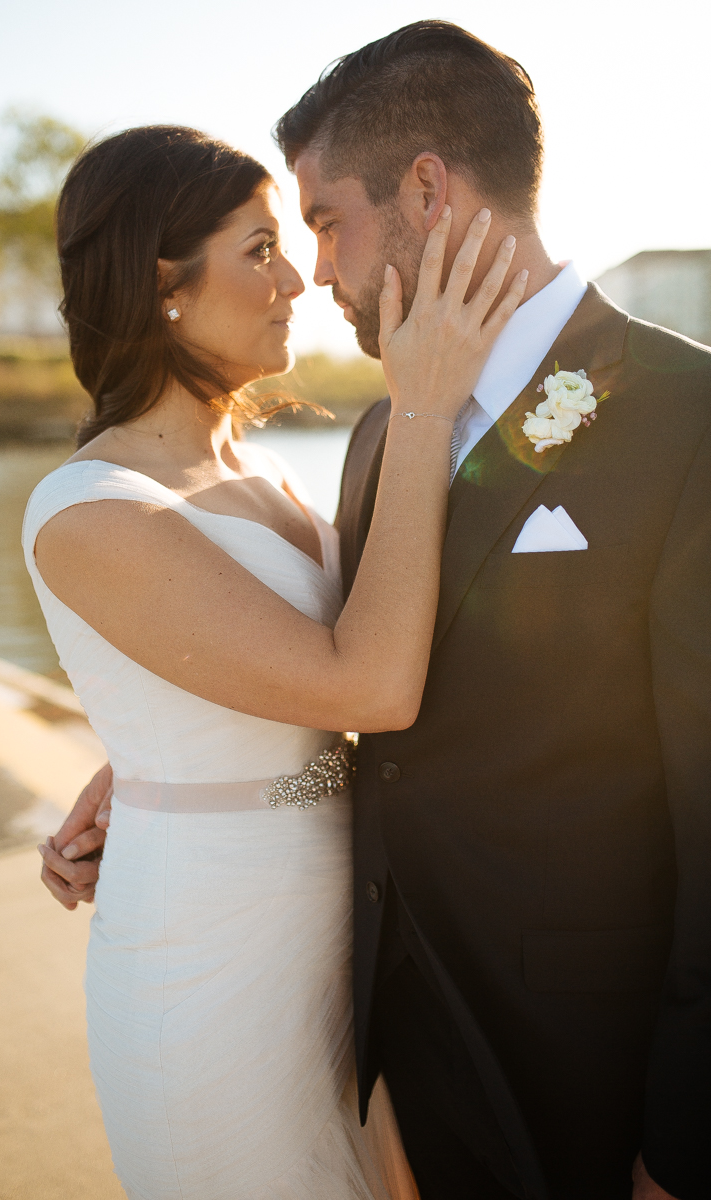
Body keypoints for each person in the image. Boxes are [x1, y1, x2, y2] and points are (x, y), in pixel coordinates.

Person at [46, 22, 711, 1200]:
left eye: (321, 222)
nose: (318, 271)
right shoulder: (370, 438)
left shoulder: (684, 414)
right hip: (383, 1031)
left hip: (594, 1064)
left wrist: (687, 1137)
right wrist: (144, 766)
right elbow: (328, 673)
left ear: (425, 189)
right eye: (282, 239)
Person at [29, 122, 526, 1199]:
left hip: (339, 946)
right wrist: (424, 401)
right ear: (163, 285)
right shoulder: (89, 510)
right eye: (259, 249)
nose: (298, 278)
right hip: (210, 966)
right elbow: (367, 686)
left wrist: (144, 767)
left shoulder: (264, 474)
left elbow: (293, 710)